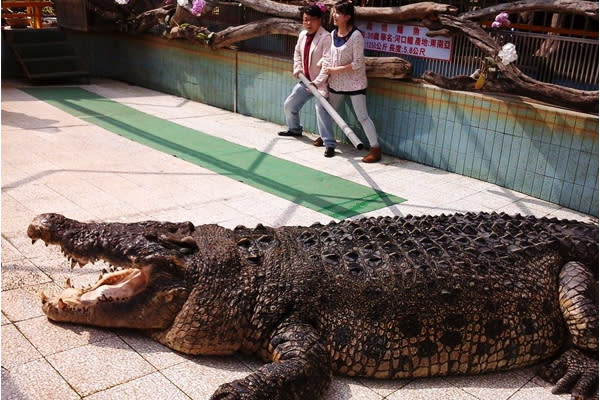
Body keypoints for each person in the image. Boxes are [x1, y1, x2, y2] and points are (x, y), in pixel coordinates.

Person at [323, 0, 381, 163]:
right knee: (329, 112)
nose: (334, 15)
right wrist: (325, 67)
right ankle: (326, 137)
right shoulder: (333, 34)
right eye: (334, 12)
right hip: (336, 83)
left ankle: (375, 149)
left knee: (362, 117)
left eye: (338, 13)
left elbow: (358, 63)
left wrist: (334, 70)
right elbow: (329, 56)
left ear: (347, 17)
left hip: (355, 83)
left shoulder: (356, 36)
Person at [278, 4, 337, 158]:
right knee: (289, 105)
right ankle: (295, 129)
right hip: (305, 81)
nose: (308, 23)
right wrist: (297, 67)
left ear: (320, 20)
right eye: (305, 20)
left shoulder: (326, 38)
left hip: (321, 84)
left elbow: (327, 63)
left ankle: (329, 144)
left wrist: (316, 83)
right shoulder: (303, 34)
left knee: (321, 110)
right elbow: (297, 52)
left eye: (312, 20)